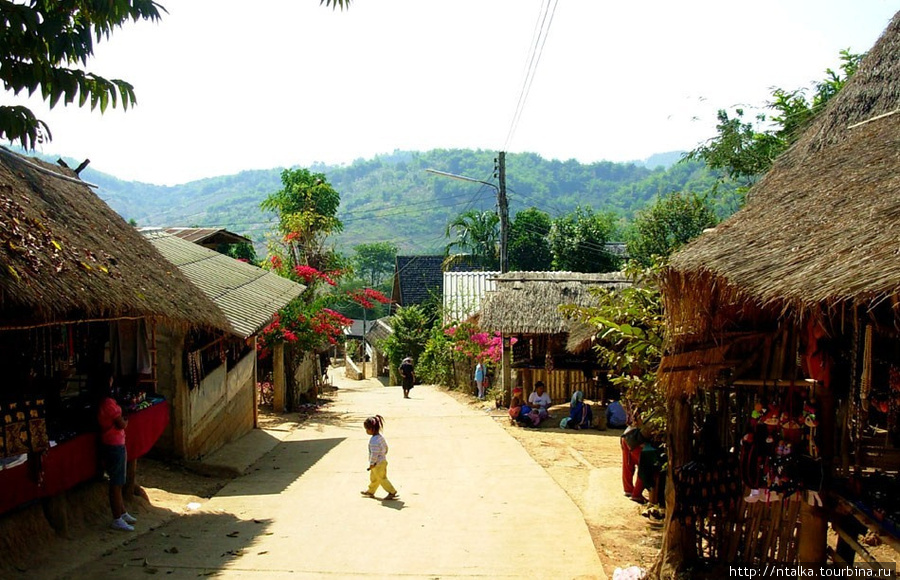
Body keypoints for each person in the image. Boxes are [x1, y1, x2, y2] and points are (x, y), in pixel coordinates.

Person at [95, 366, 138, 531]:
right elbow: (120, 423)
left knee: (119, 481)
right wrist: (125, 421)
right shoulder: (108, 403)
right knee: (116, 482)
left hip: (114, 443)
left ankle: (122, 511)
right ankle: (117, 517)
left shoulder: (105, 401)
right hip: (113, 444)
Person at [360, 415, 398, 500]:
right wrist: (383, 455)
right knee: (374, 478)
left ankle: (392, 491)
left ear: (372, 429)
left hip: (378, 464)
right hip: (382, 461)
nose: (366, 431)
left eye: (367, 429)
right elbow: (386, 448)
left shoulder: (374, 441)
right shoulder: (380, 438)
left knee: (382, 478)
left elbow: (374, 454)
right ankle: (371, 491)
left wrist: (372, 463)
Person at [621, 418, 647, 504]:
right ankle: (636, 494)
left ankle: (628, 489)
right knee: (644, 466)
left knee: (628, 464)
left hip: (626, 435)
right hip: (636, 438)